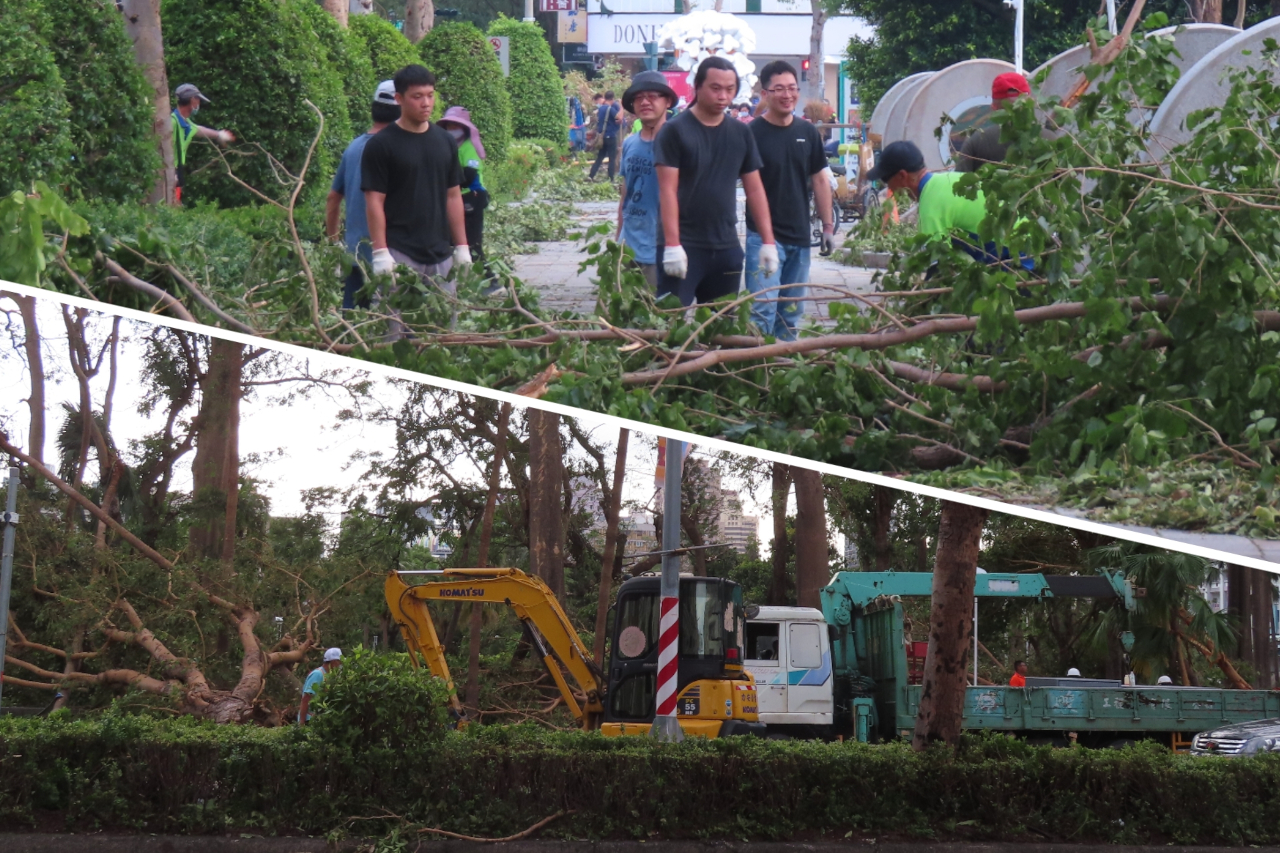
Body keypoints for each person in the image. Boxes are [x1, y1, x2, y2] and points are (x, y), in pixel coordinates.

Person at [655, 56, 777, 307]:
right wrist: (672, 244)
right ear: (697, 87)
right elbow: (667, 190)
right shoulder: (674, 131)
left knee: (722, 330)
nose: (723, 95)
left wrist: (768, 242)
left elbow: (754, 189)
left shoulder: (741, 132)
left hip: (726, 246)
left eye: (730, 89)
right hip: (684, 244)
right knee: (669, 328)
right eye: (715, 88)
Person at [361, 64, 470, 339]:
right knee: (394, 336)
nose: (426, 103)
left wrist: (462, 246)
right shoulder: (381, 145)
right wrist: (380, 252)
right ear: (399, 99)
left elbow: (453, 195)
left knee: (441, 336)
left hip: (440, 254)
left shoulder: (444, 141)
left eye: (430, 95)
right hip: (399, 253)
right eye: (417, 96)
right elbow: (374, 201)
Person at [744, 60, 834, 341]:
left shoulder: (807, 132)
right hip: (762, 238)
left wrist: (828, 227)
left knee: (791, 315)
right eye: (779, 89)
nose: (787, 95)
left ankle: (782, 374)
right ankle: (757, 372)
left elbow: (819, 179)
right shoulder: (751, 134)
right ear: (766, 93)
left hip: (799, 236)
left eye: (792, 88)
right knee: (762, 312)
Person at [866, 140, 1031, 270]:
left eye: (887, 180)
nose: (890, 189)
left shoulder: (931, 204)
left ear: (902, 176)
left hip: (1018, 259)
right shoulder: (946, 180)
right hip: (1031, 244)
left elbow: (937, 264)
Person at [327, 80, 400, 311]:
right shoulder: (399, 149)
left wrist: (334, 244)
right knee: (398, 322)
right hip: (394, 252)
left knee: (354, 319)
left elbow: (332, 199)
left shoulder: (354, 147)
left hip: (355, 253)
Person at [617, 71, 677, 288]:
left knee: (656, 317)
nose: (645, 102)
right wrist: (618, 242)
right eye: (639, 97)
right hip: (627, 246)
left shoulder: (678, 144)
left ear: (667, 101)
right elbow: (625, 195)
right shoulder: (630, 144)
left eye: (652, 96)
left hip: (659, 249)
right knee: (618, 315)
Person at [437, 106, 492, 288]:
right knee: (453, 241)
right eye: (449, 125)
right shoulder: (449, 147)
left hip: (472, 198)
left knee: (472, 243)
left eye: (456, 125)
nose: (452, 129)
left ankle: (490, 281)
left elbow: (468, 175)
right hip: (456, 199)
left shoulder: (469, 147)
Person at [171, 83, 235, 205]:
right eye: (198, 100)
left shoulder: (185, 123)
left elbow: (199, 129)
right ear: (192, 100)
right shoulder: (172, 122)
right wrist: (171, 174)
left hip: (177, 172)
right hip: (169, 173)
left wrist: (219, 135)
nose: (199, 104)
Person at [956, 72, 1031, 173]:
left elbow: (960, 183)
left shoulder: (976, 142)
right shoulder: (1048, 139)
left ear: (993, 107)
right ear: (1031, 102)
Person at [299, 647, 342, 724]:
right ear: (334, 662)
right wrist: (302, 722)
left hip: (320, 721)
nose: (340, 665)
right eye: (340, 662)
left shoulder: (329, 676)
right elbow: (306, 698)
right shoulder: (317, 674)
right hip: (309, 721)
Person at [589, 90, 621, 181]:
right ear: (612, 98)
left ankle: (591, 175)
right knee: (612, 158)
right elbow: (618, 117)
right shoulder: (610, 109)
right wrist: (621, 106)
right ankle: (611, 178)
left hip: (602, 137)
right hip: (611, 136)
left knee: (600, 157)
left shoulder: (601, 108)